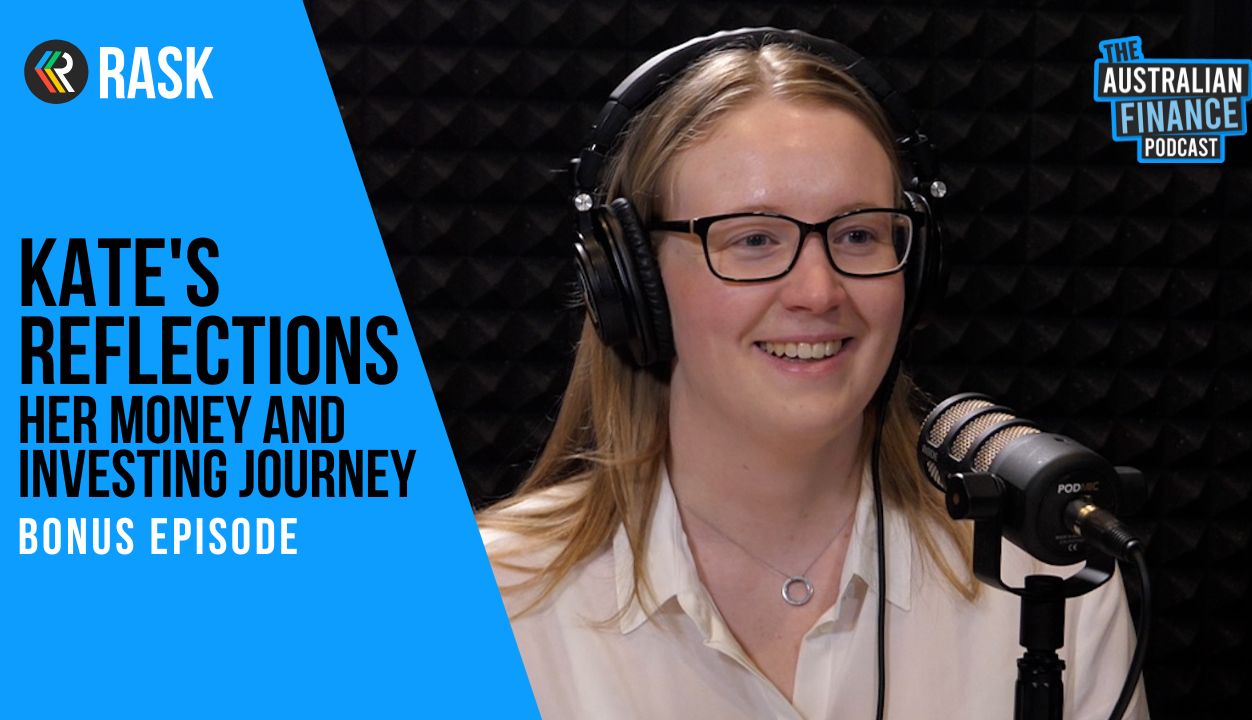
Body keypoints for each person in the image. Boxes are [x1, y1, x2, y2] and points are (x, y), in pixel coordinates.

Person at [480, 28, 1148, 720]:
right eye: (753, 238)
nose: (818, 292)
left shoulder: (1049, 575)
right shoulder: (483, 601)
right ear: (631, 284)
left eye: (858, 234)